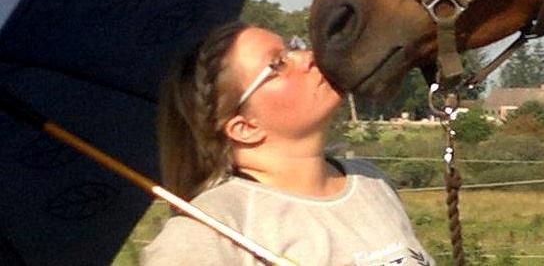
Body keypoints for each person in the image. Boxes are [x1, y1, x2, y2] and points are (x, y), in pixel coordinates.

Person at [142, 20, 434, 266]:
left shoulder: (370, 181)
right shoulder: (209, 231)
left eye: (292, 47)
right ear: (245, 128)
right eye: (277, 64)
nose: (308, 56)